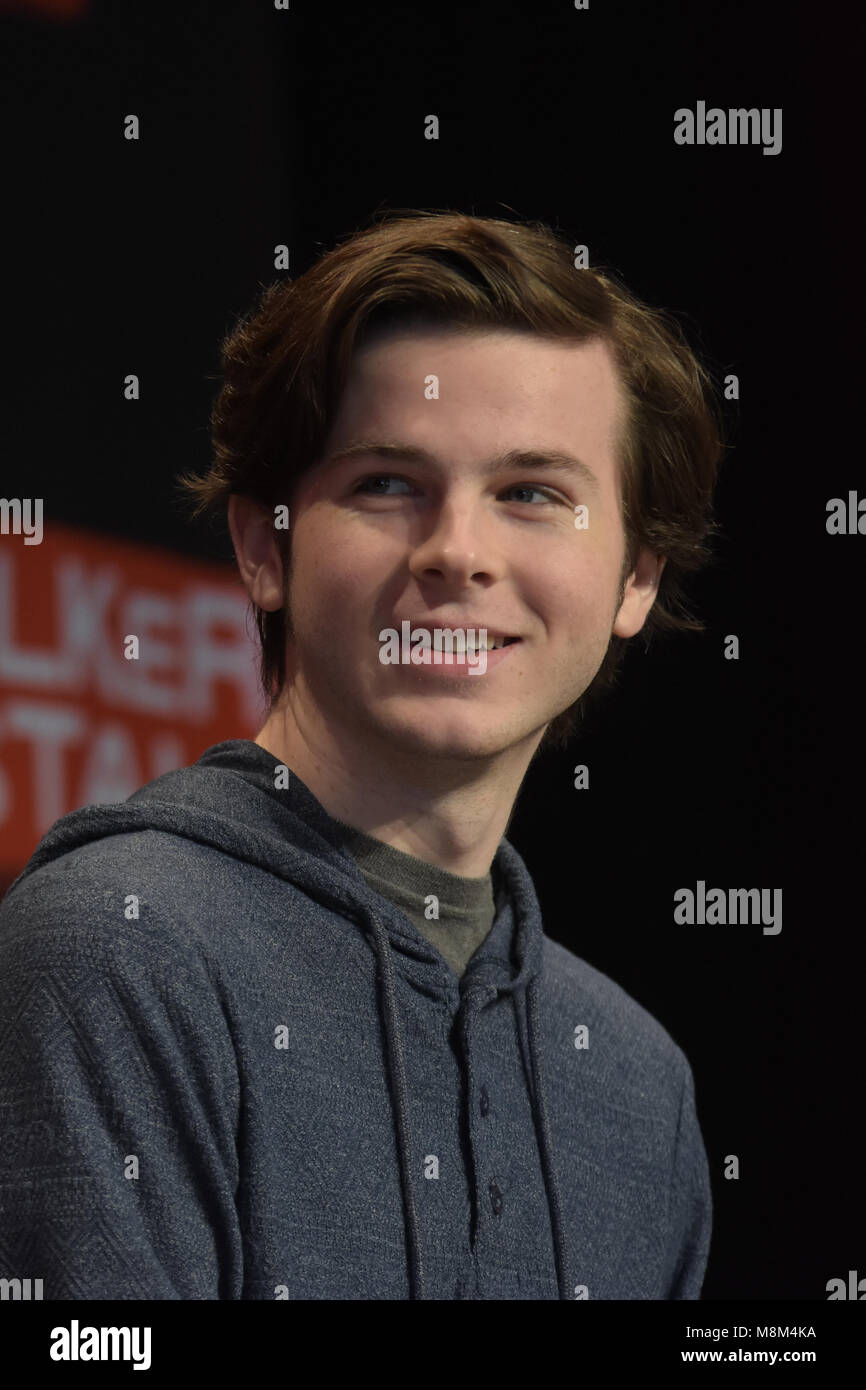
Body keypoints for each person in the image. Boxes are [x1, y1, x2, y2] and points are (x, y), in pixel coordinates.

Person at [0, 210, 723, 1300]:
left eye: (531, 493)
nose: (457, 553)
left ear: (635, 580)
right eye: (387, 483)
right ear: (263, 547)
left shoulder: (635, 1082)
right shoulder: (117, 949)